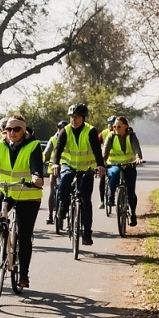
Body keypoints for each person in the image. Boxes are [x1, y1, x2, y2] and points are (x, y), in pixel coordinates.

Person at [0, 115, 46, 289]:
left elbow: (36, 164)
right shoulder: (0, 144)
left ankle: (23, 275)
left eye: (16, 129)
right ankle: (0, 238)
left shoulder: (33, 146)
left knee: (24, 235)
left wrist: (37, 176)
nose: (11, 133)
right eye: (8, 129)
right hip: (5, 190)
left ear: (24, 130)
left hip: (28, 193)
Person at [51, 102, 106, 246]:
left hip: (87, 168)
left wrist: (100, 165)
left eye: (76, 117)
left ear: (83, 118)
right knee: (64, 183)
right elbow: (58, 148)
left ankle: (87, 234)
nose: (73, 120)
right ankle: (63, 207)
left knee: (86, 200)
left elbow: (96, 150)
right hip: (69, 165)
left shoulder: (90, 131)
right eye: (71, 117)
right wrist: (55, 163)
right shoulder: (65, 130)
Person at [103, 115, 145, 226]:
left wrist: (138, 158)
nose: (116, 128)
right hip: (114, 164)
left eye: (119, 126)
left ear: (126, 126)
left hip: (129, 166)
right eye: (114, 126)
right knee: (115, 174)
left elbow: (136, 148)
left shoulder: (131, 136)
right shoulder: (111, 136)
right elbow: (105, 151)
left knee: (131, 192)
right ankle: (111, 197)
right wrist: (102, 162)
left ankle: (133, 214)